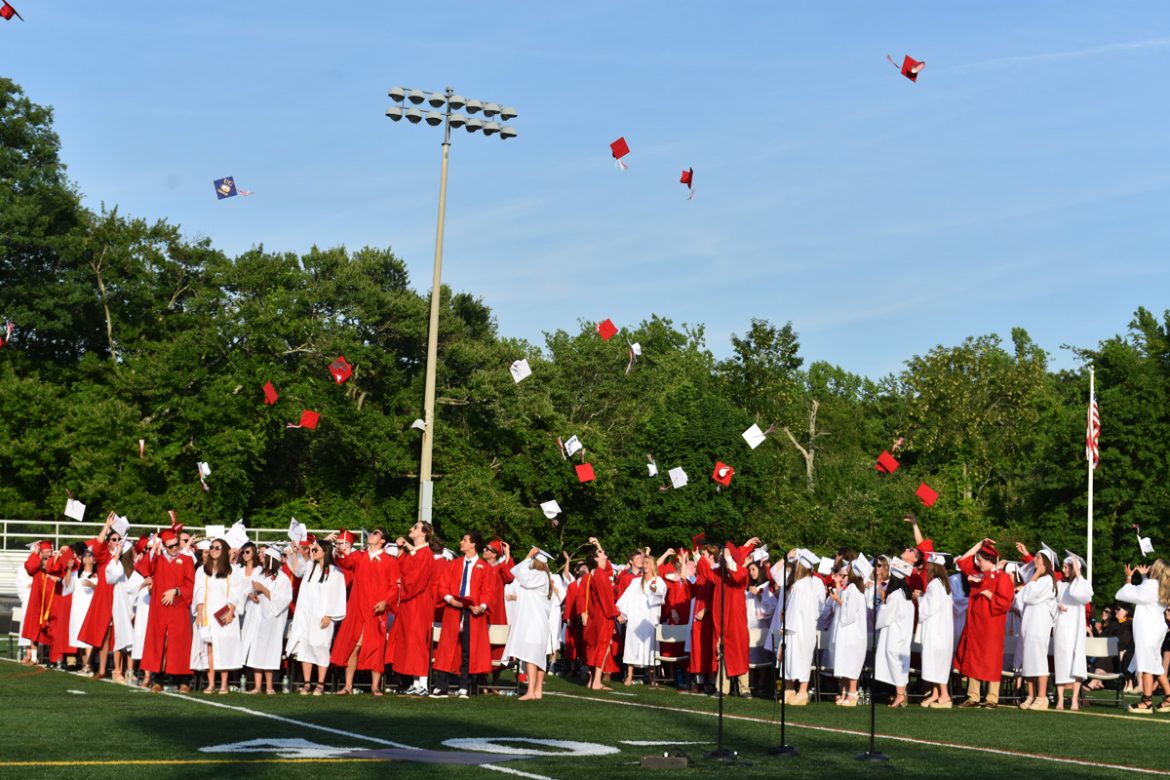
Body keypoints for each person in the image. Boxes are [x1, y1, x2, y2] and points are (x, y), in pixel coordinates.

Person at [330, 528, 400, 696]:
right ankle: (348, 685)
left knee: (376, 648)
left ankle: (375, 686)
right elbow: (345, 563)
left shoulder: (389, 561)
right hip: (358, 609)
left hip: (376, 610)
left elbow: (394, 587)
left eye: (376, 533)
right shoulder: (359, 556)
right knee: (354, 646)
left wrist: (385, 601)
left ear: (382, 540)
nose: (372, 535)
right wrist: (337, 550)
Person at [432, 531, 494, 698]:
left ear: (473, 544)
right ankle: (441, 686)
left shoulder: (485, 568)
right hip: (453, 609)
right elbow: (442, 585)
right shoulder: (453, 564)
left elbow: (487, 591)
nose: (461, 542)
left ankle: (464, 686)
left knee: (468, 649)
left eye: (465, 540)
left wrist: (481, 606)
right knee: (446, 648)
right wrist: (450, 600)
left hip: (472, 612)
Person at [954, 538, 1014, 708]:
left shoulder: (1002, 578)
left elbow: (1005, 603)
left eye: (980, 560)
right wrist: (980, 544)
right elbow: (962, 560)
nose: (978, 563)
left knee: (991, 659)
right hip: (975, 624)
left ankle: (992, 697)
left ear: (989, 561)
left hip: (992, 626)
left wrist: (989, 594)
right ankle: (973, 696)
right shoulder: (978, 574)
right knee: (974, 657)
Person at [137, 528, 196, 693]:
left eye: (176, 545)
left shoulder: (186, 560)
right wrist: (153, 550)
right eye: (170, 547)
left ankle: (184, 680)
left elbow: (191, 584)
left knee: (180, 644)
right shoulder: (158, 560)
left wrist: (176, 591)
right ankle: (158, 679)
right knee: (158, 644)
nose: (175, 549)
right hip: (160, 608)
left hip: (178, 606)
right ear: (164, 546)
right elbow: (144, 568)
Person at [285, 539, 347, 696]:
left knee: (321, 647)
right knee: (305, 646)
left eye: (316, 550)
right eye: (312, 550)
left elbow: (338, 595)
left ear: (325, 551)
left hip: (322, 616)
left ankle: (320, 684)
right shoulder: (310, 567)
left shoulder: (334, 572)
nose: (313, 552)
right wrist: (293, 552)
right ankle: (307, 683)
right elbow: (296, 569)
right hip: (306, 615)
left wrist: (330, 615)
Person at [390, 521, 439, 696]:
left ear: (424, 533)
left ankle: (423, 683)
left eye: (416, 527)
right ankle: (415, 682)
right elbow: (403, 569)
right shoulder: (415, 553)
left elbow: (416, 581)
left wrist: (401, 583)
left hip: (418, 603)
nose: (411, 529)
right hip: (409, 603)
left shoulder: (425, 554)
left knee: (418, 641)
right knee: (409, 641)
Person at [1115, 559, 1170, 713]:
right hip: (1156, 630)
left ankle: (1146, 701)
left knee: (1146, 666)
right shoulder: (1160, 586)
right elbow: (1145, 591)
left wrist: (1128, 578)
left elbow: (1123, 594)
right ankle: (1169, 697)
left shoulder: (1150, 588)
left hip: (1148, 631)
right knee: (1156, 666)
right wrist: (1145, 577)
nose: (1149, 566)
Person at [193, 538, 246, 694]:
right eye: (211, 547)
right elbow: (199, 591)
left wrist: (231, 612)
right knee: (210, 647)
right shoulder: (202, 570)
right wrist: (200, 612)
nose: (214, 550)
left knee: (224, 648)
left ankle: (223, 684)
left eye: (217, 547)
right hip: (209, 613)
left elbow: (237, 591)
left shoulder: (232, 570)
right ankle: (211, 684)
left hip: (225, 613)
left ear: (224, 551)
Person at [501, 548, 555, 700]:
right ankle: (537, 691)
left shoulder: (538, 576)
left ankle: (531, 691)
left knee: (531, 657)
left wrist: (528, 555)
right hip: (538, 623)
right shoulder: (544, 576)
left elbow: (518, 572)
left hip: (534, 624)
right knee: (538, 657)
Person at [241, 547, 293, 695]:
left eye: (265, 558)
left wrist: (263, 589)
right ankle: (257, 686)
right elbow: (247, 588)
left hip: (271, 620)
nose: (262, 559)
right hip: (256, 617)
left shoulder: (282, 578)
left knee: (268, 652)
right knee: (256, 651)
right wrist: (251, 595)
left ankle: (269, 686)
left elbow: (283, 599)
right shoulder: (259, 573)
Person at [1015, 546, 1058, 710]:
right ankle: (1030, 695)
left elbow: (1029, 596)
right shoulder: (1038, 580)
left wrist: (1036, 574)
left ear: (1046, 563)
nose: (1035, 560)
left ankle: (1041, 697)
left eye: (1038, 558)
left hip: (1039, 626)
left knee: (1039, 660)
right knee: (1028, 661)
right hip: (1029, 624)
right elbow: (1022, 597)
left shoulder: (1046, 581)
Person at [616, 547, 666, 686]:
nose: (644, 565)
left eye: (647, 563)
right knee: (632, 646)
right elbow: (626, 598)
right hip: (635, 620)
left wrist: (655, 591)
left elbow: (661, 598)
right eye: (644, 563)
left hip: (650, 620)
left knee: (650, 648)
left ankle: (651, 677)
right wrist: (623, 614)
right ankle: (630, 676)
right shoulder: (635, 582)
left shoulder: (658, 581)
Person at [783, 549, 826, 706]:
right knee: (802, 658)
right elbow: (822, 606)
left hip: (796, 627)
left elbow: (792, 608)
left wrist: (785, 625)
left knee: (795, 656)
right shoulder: (817, 583)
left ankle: (800, 693)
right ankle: (794, 691)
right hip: (809, 625)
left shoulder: (799, 585)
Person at [1053, 550, 1093, 710]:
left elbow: (1082, 596)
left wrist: (1077, 572)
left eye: (1066, 567)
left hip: (1076, 628)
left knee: (1077, 662)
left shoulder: (1083, 584)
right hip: (1062, 626)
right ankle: (1061, 699)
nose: (1063, 570)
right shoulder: (1059, 585)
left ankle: (1075, 699)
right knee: (1061, 661)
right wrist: (1057, 606)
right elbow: (1051, 601)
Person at [581, 537, 622, 692]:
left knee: (597, 647)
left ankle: (592, 680)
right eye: (600, 552)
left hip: (598, 614)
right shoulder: (600, 575)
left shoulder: (599, 573)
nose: (604, 553)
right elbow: (606, 598)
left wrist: (598, 543)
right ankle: (597, 682)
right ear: (596, 558)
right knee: (602, 647)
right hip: (603, 616)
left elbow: (608, 565)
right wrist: (616, 614)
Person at [875, 559, 916, 707]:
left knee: (896, 662)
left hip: (894, 634)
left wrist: (884, 601)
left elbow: (885, 617)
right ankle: (901, 694)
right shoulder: (906, 595)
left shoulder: (895, 595)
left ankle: (900, 695)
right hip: (902, 633)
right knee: (901, 663)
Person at [827, 558, 867, 706]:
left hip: (853, 634)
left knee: (851, 663)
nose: (843, 577)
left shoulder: (854, 590)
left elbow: (849, 615)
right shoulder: (848, 589)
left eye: (845, 575)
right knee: (843, 662)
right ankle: (844, 691)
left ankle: (852, 693)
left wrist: (837, 600)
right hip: (845, 633)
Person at [917, 552, 955, 708]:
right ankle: (935, 693)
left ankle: (945, 696)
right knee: (936, 662)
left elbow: (929, 608)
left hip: (935, 631)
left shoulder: (934, 585)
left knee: (936, 662)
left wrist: (919, 597)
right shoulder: (944, 585)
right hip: (943, 630)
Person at [687, 543, 718, 693]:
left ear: (711, 557)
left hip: (709, 617)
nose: (701, 559)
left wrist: (705, 610)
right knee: (698, 649)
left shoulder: (715, 573)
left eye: (704, 555)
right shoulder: (702, 575)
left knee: (709, 649)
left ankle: (710, 681)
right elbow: (692, 592)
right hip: (697, 618)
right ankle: (698, 680)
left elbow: (716, 598)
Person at [68, 543, 99, 673]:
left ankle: (89, 666)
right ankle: (85, 665)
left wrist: (93, 585)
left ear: (94, 559)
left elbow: (103, 592)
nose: (87, 557)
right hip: (77, 610)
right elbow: (67, 587)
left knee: (88, 639)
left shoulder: (98, 576)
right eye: (85, 555)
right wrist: (69, 569)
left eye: (90, 555)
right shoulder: (76, 575)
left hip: (90, 610)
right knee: (80, 640)